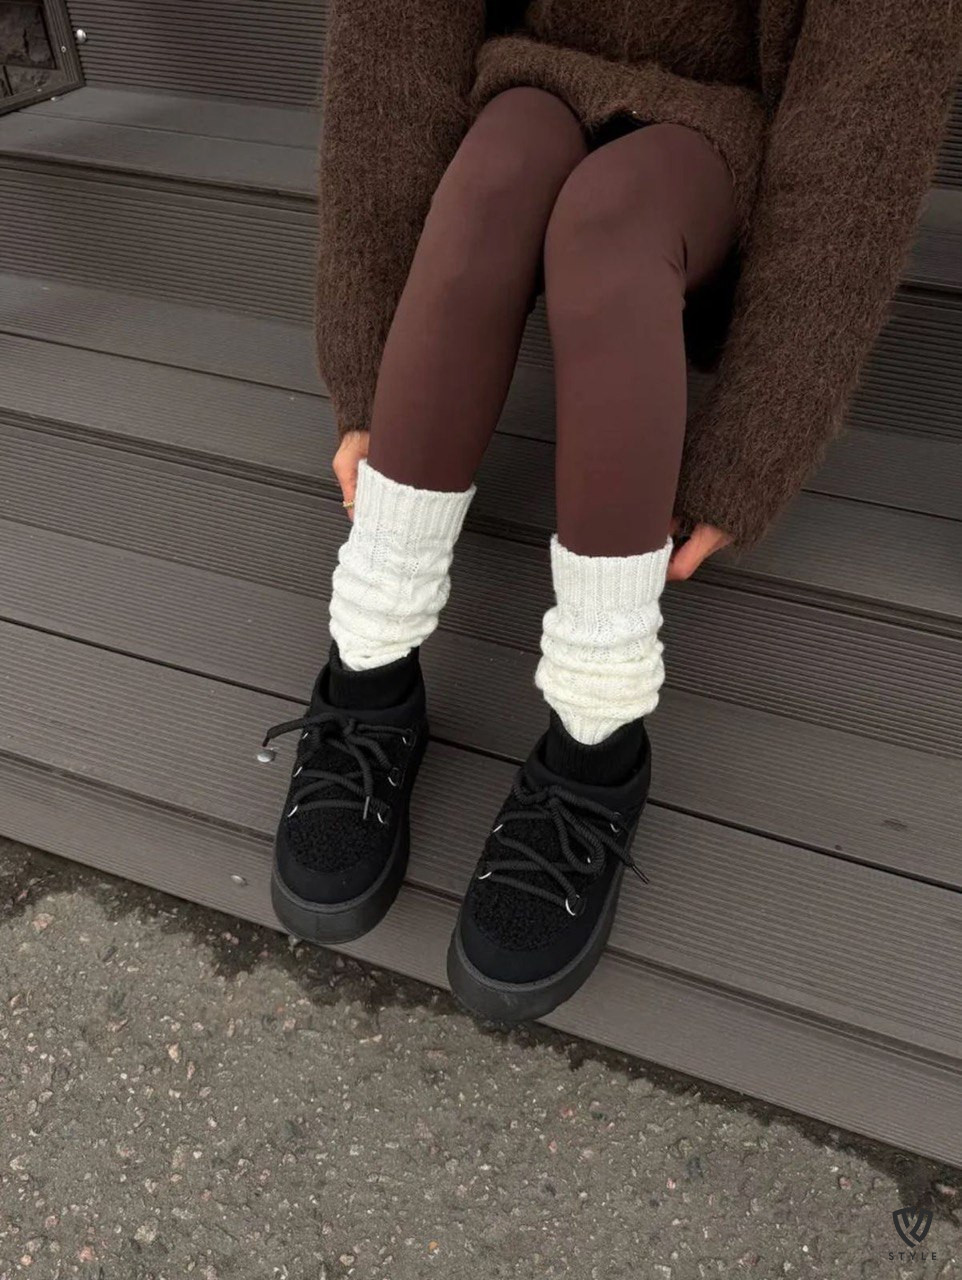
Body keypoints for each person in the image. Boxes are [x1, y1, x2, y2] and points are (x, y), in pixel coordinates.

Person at [260, 0, 960, 1024]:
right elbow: (393, 46)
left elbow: (863, 123)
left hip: (711, 132)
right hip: (528, 82)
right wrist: (367, 368)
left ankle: (595, 743)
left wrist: (752, 444)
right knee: (493, 177)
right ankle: (367, 673)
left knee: (610, 224)